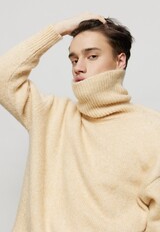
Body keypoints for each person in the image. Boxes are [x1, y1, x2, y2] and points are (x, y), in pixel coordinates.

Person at [0, 12, 160, 232]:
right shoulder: (50, 116)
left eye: (92, 56)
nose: (78, 67)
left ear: (120, 60)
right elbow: (3, 77)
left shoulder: (152, 128)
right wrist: (59, 29)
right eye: (74, 59)